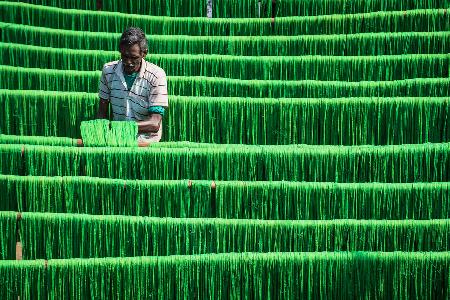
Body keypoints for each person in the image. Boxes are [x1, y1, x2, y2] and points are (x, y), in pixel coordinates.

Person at [97, 27, 168, 143]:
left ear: (144, 53)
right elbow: (102, 111)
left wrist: (116, 127)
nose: (128, 62)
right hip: (116, 139)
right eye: (125, 56)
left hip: (145, 141)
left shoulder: (156, 75)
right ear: (120, 51)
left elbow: (155, 123)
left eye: (134, 57)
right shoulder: (108, 71)